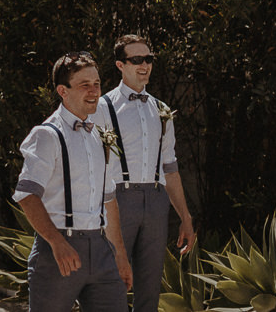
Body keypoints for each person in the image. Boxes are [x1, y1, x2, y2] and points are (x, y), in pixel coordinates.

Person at [13, 52, 134, 312]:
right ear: (62, 91)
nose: (93, 91)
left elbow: (109, 199)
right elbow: (27, 194)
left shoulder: (98, 137)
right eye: (84, 85)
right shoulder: (47, 135)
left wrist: (120, 256)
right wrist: (56, 243)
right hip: (58, 251)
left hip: (102, 252)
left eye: (97, 84)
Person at [94, 34, 197, 312]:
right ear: (120, 65)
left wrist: (185, 218)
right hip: (117, 201)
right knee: (112, 283)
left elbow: (170, 167)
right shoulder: (102, 107)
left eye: (148, 59)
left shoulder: (161, 110)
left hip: (155, 202)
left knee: (150, 287)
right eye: (136, 60)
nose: (144, 65)